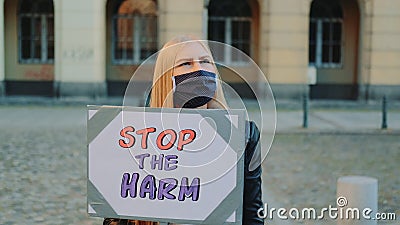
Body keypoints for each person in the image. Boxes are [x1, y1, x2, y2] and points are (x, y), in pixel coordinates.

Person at [103, 35, 263, 225]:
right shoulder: (136, 136)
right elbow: (115, 214)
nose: (199, 69)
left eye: (205, 61)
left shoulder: (244, 135)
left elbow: (252, 213)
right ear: (166, 75)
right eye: (186, 64)